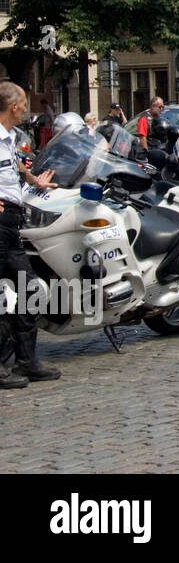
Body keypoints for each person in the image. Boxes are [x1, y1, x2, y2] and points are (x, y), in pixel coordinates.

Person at [0, 81, 60, 389]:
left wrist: (34, 182)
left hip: (12, 221)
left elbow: (10, 176)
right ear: (13, 107)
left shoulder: (9, 138)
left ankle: (26, 361)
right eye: (24, 103)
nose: (27, 108)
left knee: (28, 289)